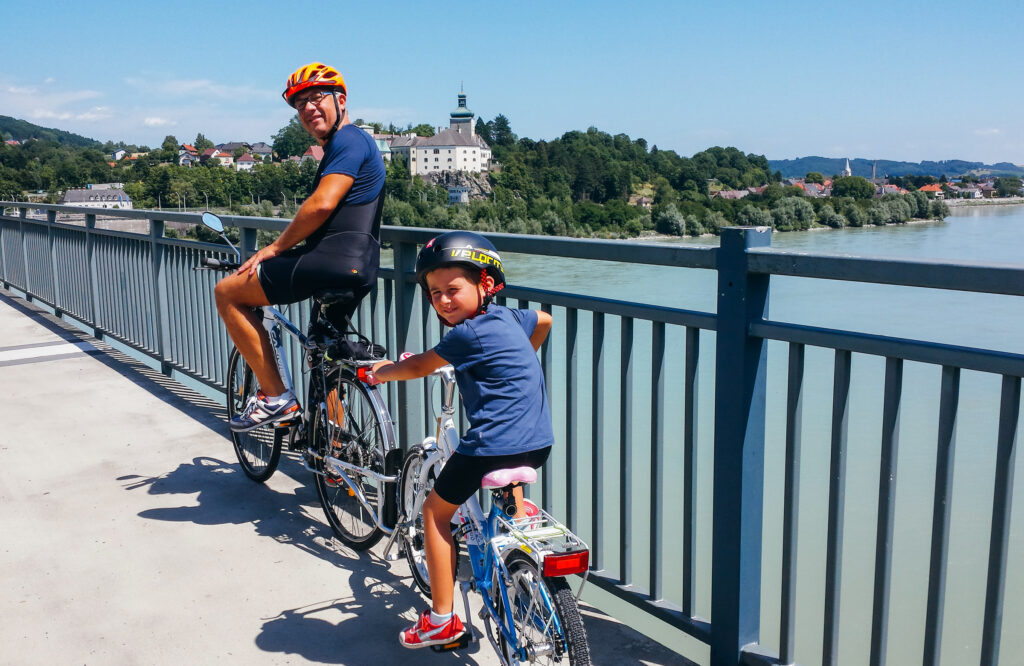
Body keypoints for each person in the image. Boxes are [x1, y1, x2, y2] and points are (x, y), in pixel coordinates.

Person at [362, 231, 554, 649]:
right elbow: (545, 319)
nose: (444, 301)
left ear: (485, 285)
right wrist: (518, 354)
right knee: (507, 457)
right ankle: (517, 519)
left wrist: (381, 371)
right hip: (539, 441)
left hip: (491, 447)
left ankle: (442, 620)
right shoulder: (508, 318)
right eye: (435, 294)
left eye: (453, 290)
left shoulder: (462, 337)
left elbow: (415, 369)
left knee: (435, 513)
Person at [214, 62, 385, 432]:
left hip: (329, 261)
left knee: (228, 293)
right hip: (361, 268)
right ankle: (335, 449)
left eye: (316, 97)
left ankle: (275, 398)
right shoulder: (349, 145)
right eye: (299, 104)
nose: (308, 108)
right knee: (324, 355)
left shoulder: (350, 140)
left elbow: (322, 204)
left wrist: (274, 248)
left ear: (341, 100)